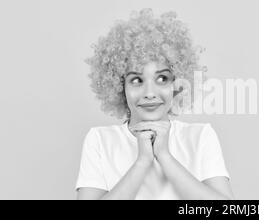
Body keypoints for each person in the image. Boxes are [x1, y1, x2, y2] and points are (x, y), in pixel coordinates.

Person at [76, 8, 233, 200]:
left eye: (162, 79)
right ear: (119, 86)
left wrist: (164, 156)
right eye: (136, 80)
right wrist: (143, 161)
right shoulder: (100, 140)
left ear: (177, 84)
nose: (150, 93)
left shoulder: (200, 136)